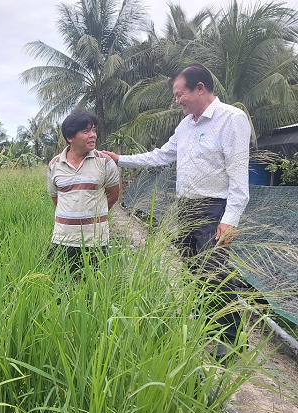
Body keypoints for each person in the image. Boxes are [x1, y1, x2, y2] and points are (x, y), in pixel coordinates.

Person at [103, 64, 251, 360]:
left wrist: (230, 220)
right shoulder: (185, 127)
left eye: (179, 94)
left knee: (214, 273)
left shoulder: (231, 119)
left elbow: (238, 174)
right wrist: (120, 159)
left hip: (214, 208)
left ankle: (232, 340)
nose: (177, 101)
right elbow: (160, 155)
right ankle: (209, 327)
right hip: (186, 208)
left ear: (200, 88)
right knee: (193, 271)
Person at [47, 111, 120, 272]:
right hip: (63, 238)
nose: (92, 135)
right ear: (70, 137)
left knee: (93, 290)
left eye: (93, 130)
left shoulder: (105, 162)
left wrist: (93, 215)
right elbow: (56, 199)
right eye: (86, 131)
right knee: (61, 287)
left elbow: (113, 195)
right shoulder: (55, 165)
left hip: (95, 240)